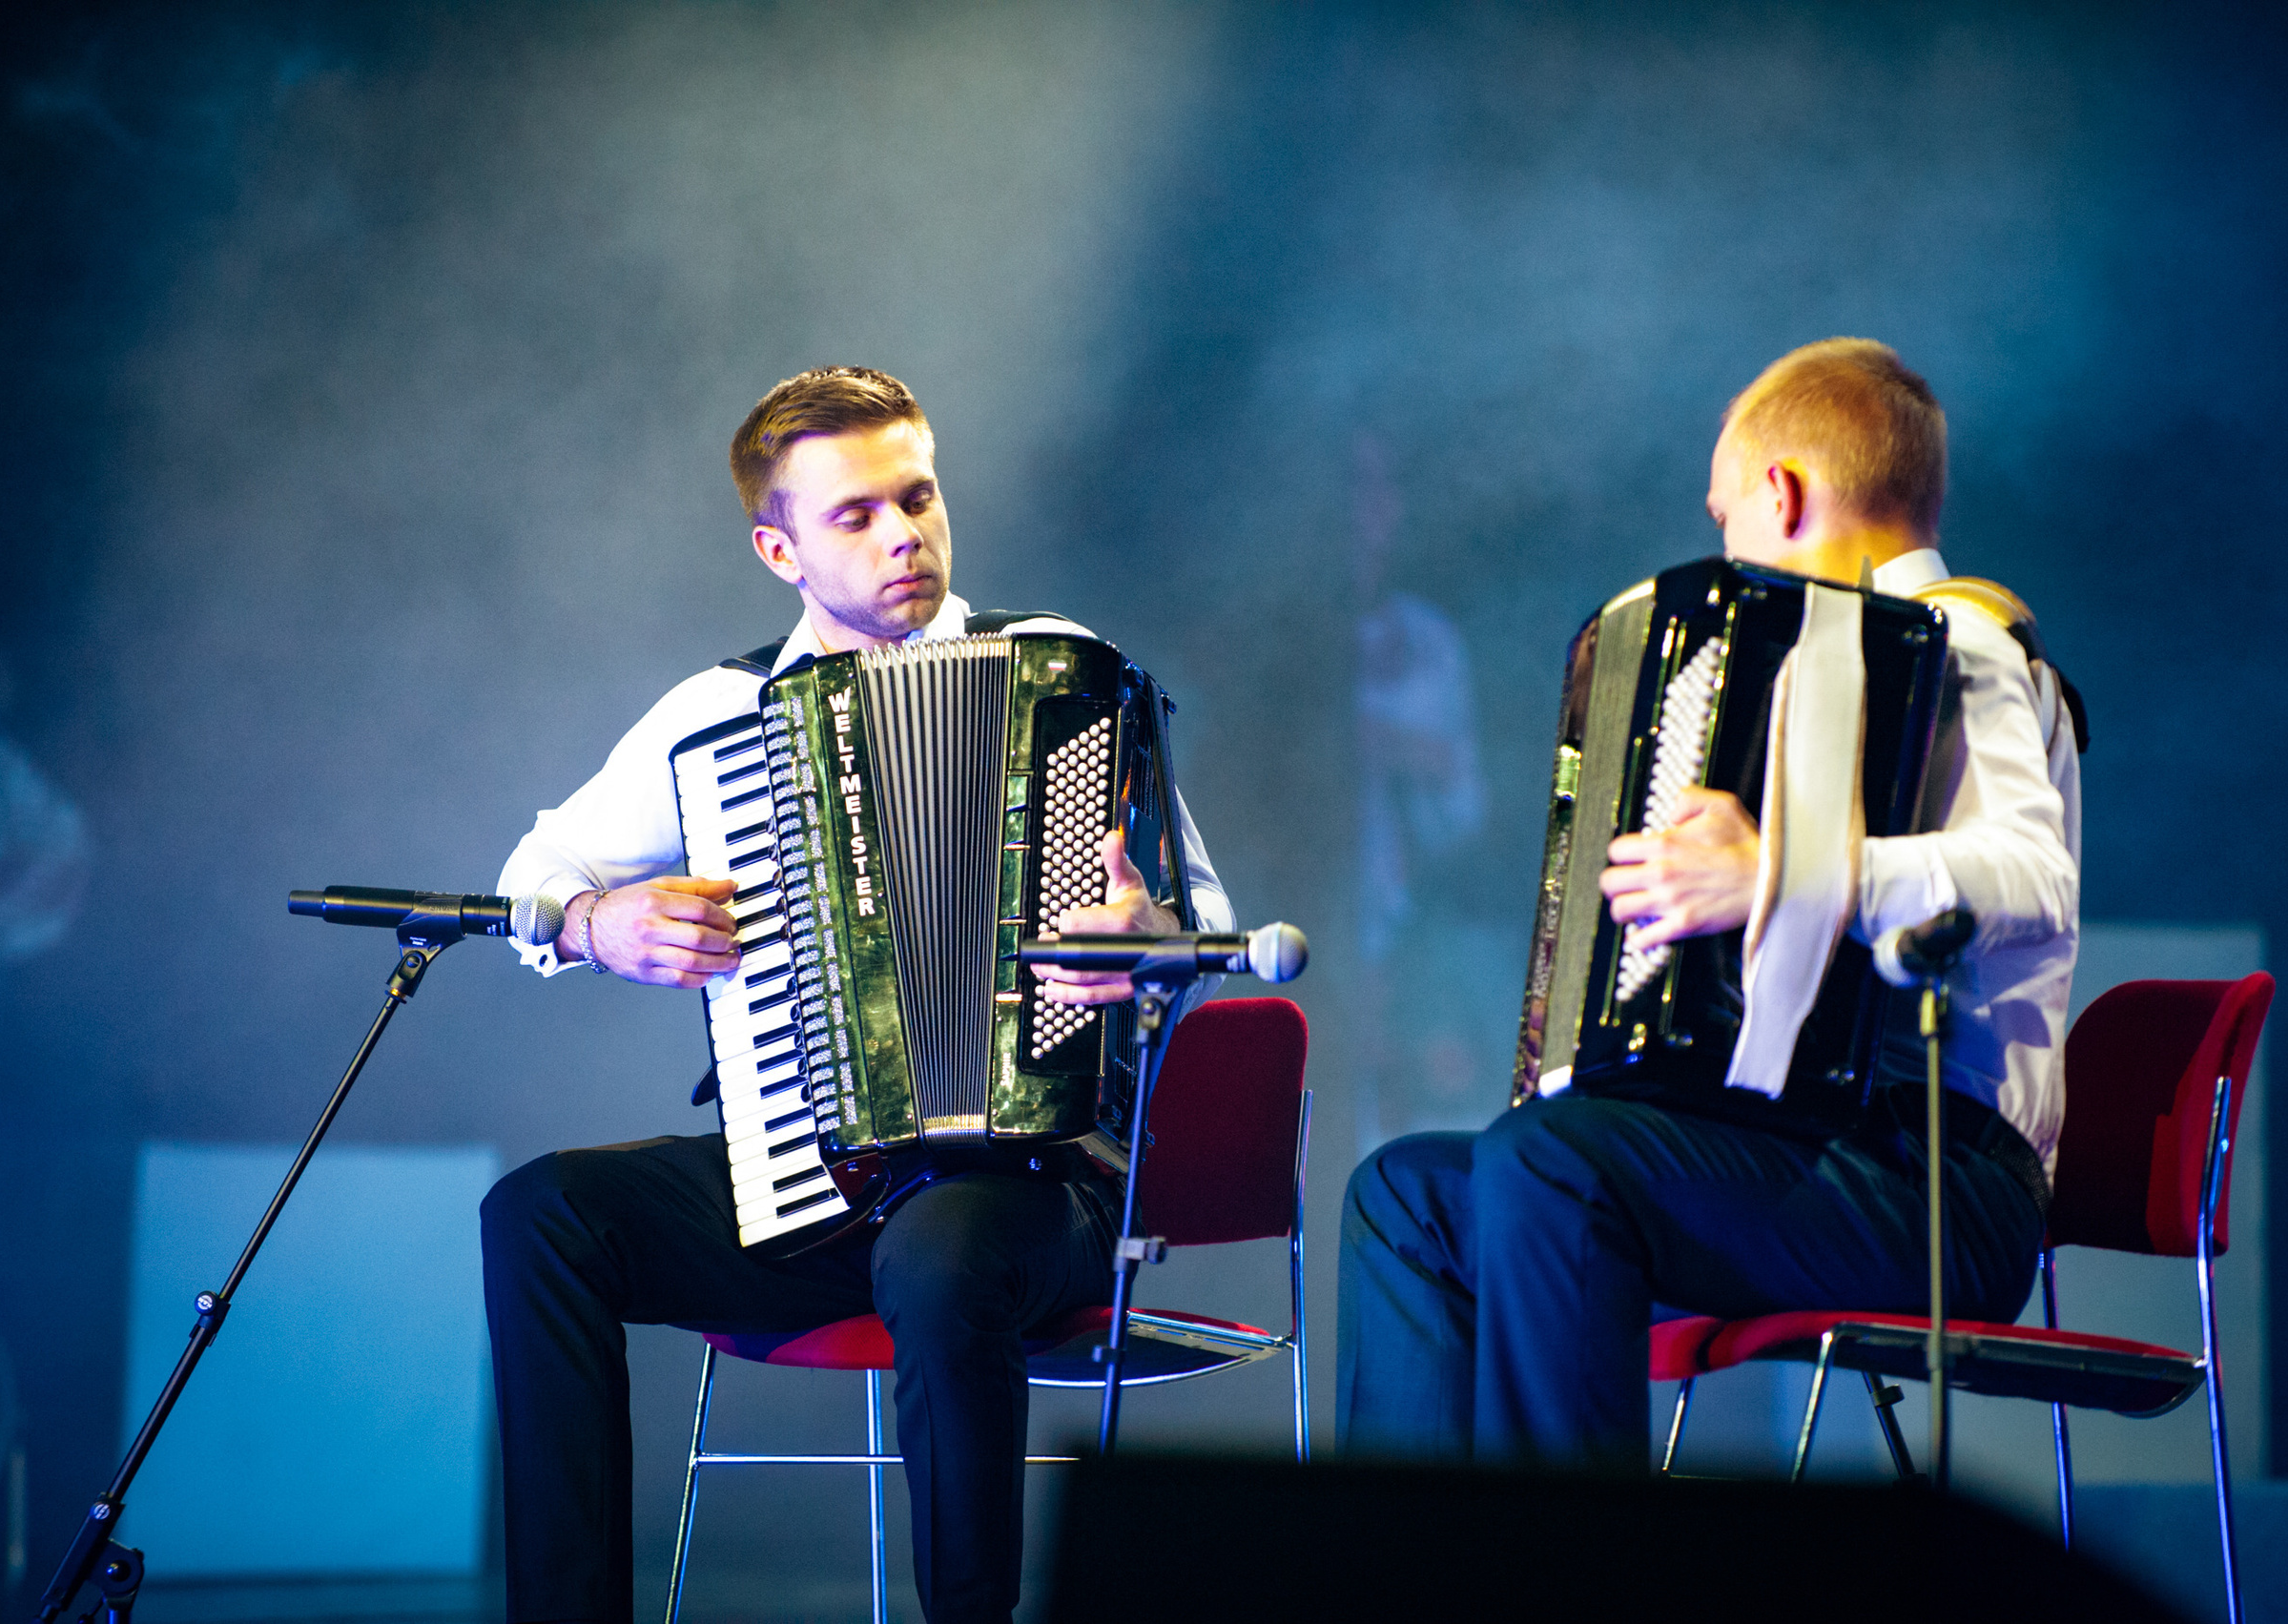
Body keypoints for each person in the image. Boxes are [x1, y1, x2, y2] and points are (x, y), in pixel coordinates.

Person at [480, 365, 1230, 1624]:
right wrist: (597, 919)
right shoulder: (720, 714)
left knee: (939, 1256)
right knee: (543, 1212)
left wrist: (1148, 934)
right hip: (810, 1184)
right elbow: (532, 874)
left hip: (1032, 1187)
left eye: (918, 498)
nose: (904, 535)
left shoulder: (1061, 676)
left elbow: (1202, 918)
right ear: (777, 547)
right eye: (856, 516)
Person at [1337, 338, 2080, 1472]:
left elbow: (2033, 879)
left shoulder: (1965, 642)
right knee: (1407, 1194)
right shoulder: (1826, 664)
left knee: (1551, 1164)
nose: (1723, 544)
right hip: (1819, 1155)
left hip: (1945, 1185)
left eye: (1726, 515)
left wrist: (1771, 875)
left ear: (1781, 494)